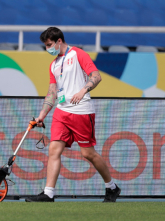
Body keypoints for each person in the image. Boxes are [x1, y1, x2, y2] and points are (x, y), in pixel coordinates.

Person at [25, 27, 121, 203]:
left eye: (49, 45)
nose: (48, 49)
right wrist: (41, 115)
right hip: (62, 112)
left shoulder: (77, 54)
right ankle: (48, 193)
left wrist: (83, 90)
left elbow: (96, 76)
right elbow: (52, 92)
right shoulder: (53, 65)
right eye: (46, 46)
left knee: (88, 154)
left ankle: (112, 187)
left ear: (59, 41)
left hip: (81, 111)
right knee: (54, 149)